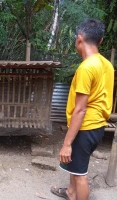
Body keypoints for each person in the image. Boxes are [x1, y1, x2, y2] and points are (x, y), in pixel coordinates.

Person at [50, 19, 114, 200]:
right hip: (97, 126)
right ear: (100, 41)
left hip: (85, 127)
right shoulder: (106, 64)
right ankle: (71, 193)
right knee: (77, 165)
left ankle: (76, 192)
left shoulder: (86, 68)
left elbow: (80, 110)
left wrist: (66, 144)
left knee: (80, 175)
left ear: (79, 39)